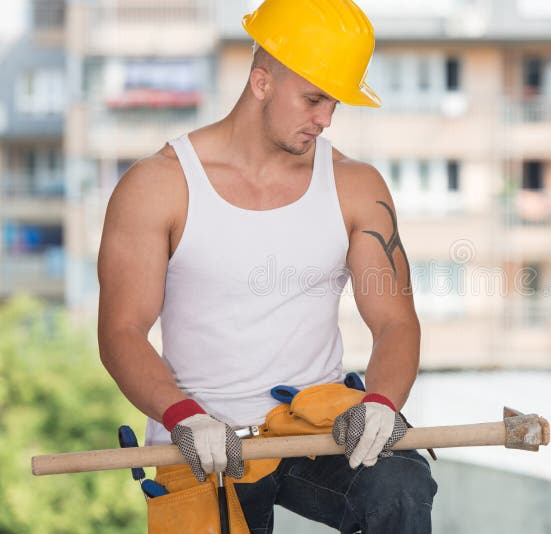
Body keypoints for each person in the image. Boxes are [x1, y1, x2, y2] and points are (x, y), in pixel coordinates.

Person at [96, 0, 437, 532]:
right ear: (261, 83)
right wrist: (182, 416)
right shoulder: (158, 186)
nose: (325, 120)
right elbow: (121, 333)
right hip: (206, 439)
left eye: (334, 104)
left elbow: (395, 321)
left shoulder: (355, 186)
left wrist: (381, 402)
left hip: (317, 426)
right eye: (314, 99)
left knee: (399, 487)